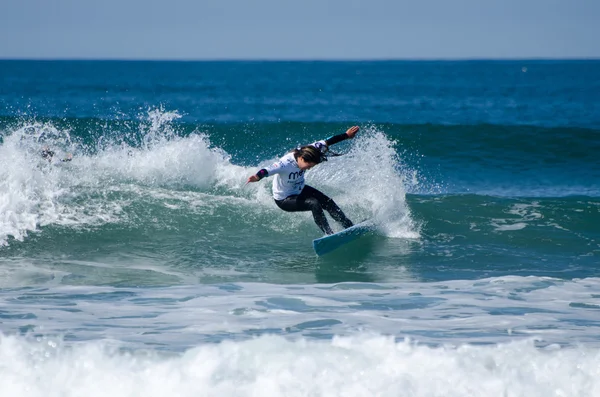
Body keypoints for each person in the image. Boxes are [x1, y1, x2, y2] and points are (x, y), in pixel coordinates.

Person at [247, 126, 360, 235]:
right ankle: (329, 234)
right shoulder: (284, 164)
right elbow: (266, 170)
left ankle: (349, 226)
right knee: (314, 204)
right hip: (284, 199)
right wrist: (257, 177)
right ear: (301, 159)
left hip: (299, 189)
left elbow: (327, 141)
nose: (309, 168)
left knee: (328, 202)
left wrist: (346, 135)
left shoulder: (310, 150)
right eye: (308, 165)